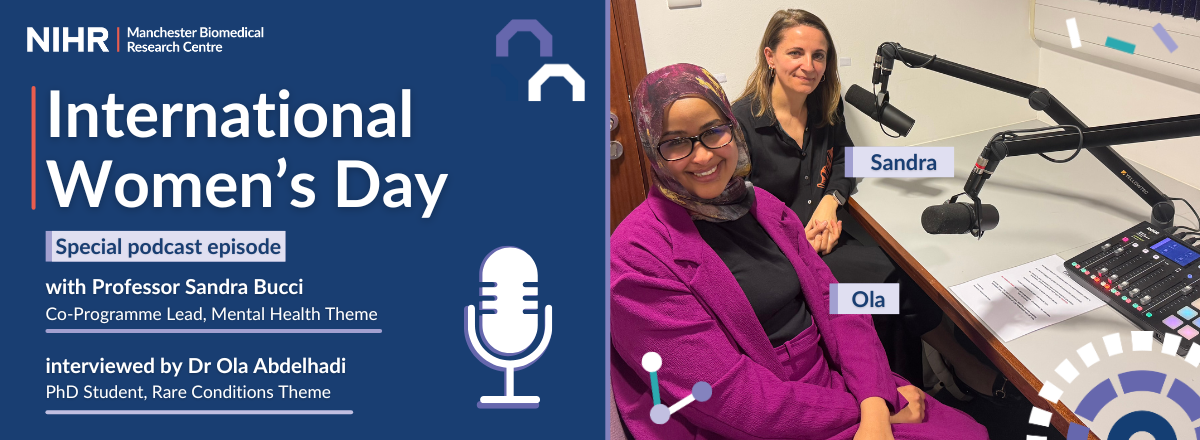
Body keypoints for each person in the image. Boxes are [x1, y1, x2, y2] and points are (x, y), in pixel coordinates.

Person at [610, 63, 987, 440]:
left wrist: (875, 401)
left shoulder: (772, 188)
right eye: (675, 142)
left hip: (825, 351)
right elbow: (732, 399)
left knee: (905, 296)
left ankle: (956, 364)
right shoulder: (636, 257)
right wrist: (870, 411)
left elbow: (837, 296)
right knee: (895, 295)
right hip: (761, 417)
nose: (704, 155)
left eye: (713, 132)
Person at [731, 9, 1018, 404]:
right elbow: (739, 207)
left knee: (902, 276)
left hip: (828, 237)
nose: (809, 65)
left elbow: (846, 162)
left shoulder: (825, 107)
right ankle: (895, 386)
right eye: (795, 53)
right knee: (882, 290)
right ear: (770, 57)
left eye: (819, 55)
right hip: (779, 254)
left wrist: (832, 202)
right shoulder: (740, 124)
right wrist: (796, 236)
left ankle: (939, 369)